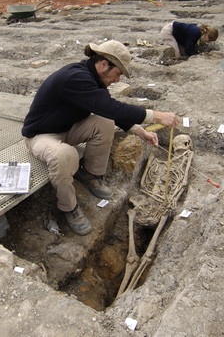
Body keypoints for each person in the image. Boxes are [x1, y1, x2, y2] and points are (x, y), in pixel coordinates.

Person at [21, 40, 180, 236]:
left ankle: (91, 174)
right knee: (64, 155)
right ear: (104, 64)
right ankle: (69, 208)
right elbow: (110, 107)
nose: (117, 80)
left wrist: (140, 131)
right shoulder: (75, 77)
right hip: (42, 135)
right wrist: (157, 116)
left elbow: (107, 108)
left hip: (67, 128)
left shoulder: (92, 78)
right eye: (118, 73)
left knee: (104, 122)